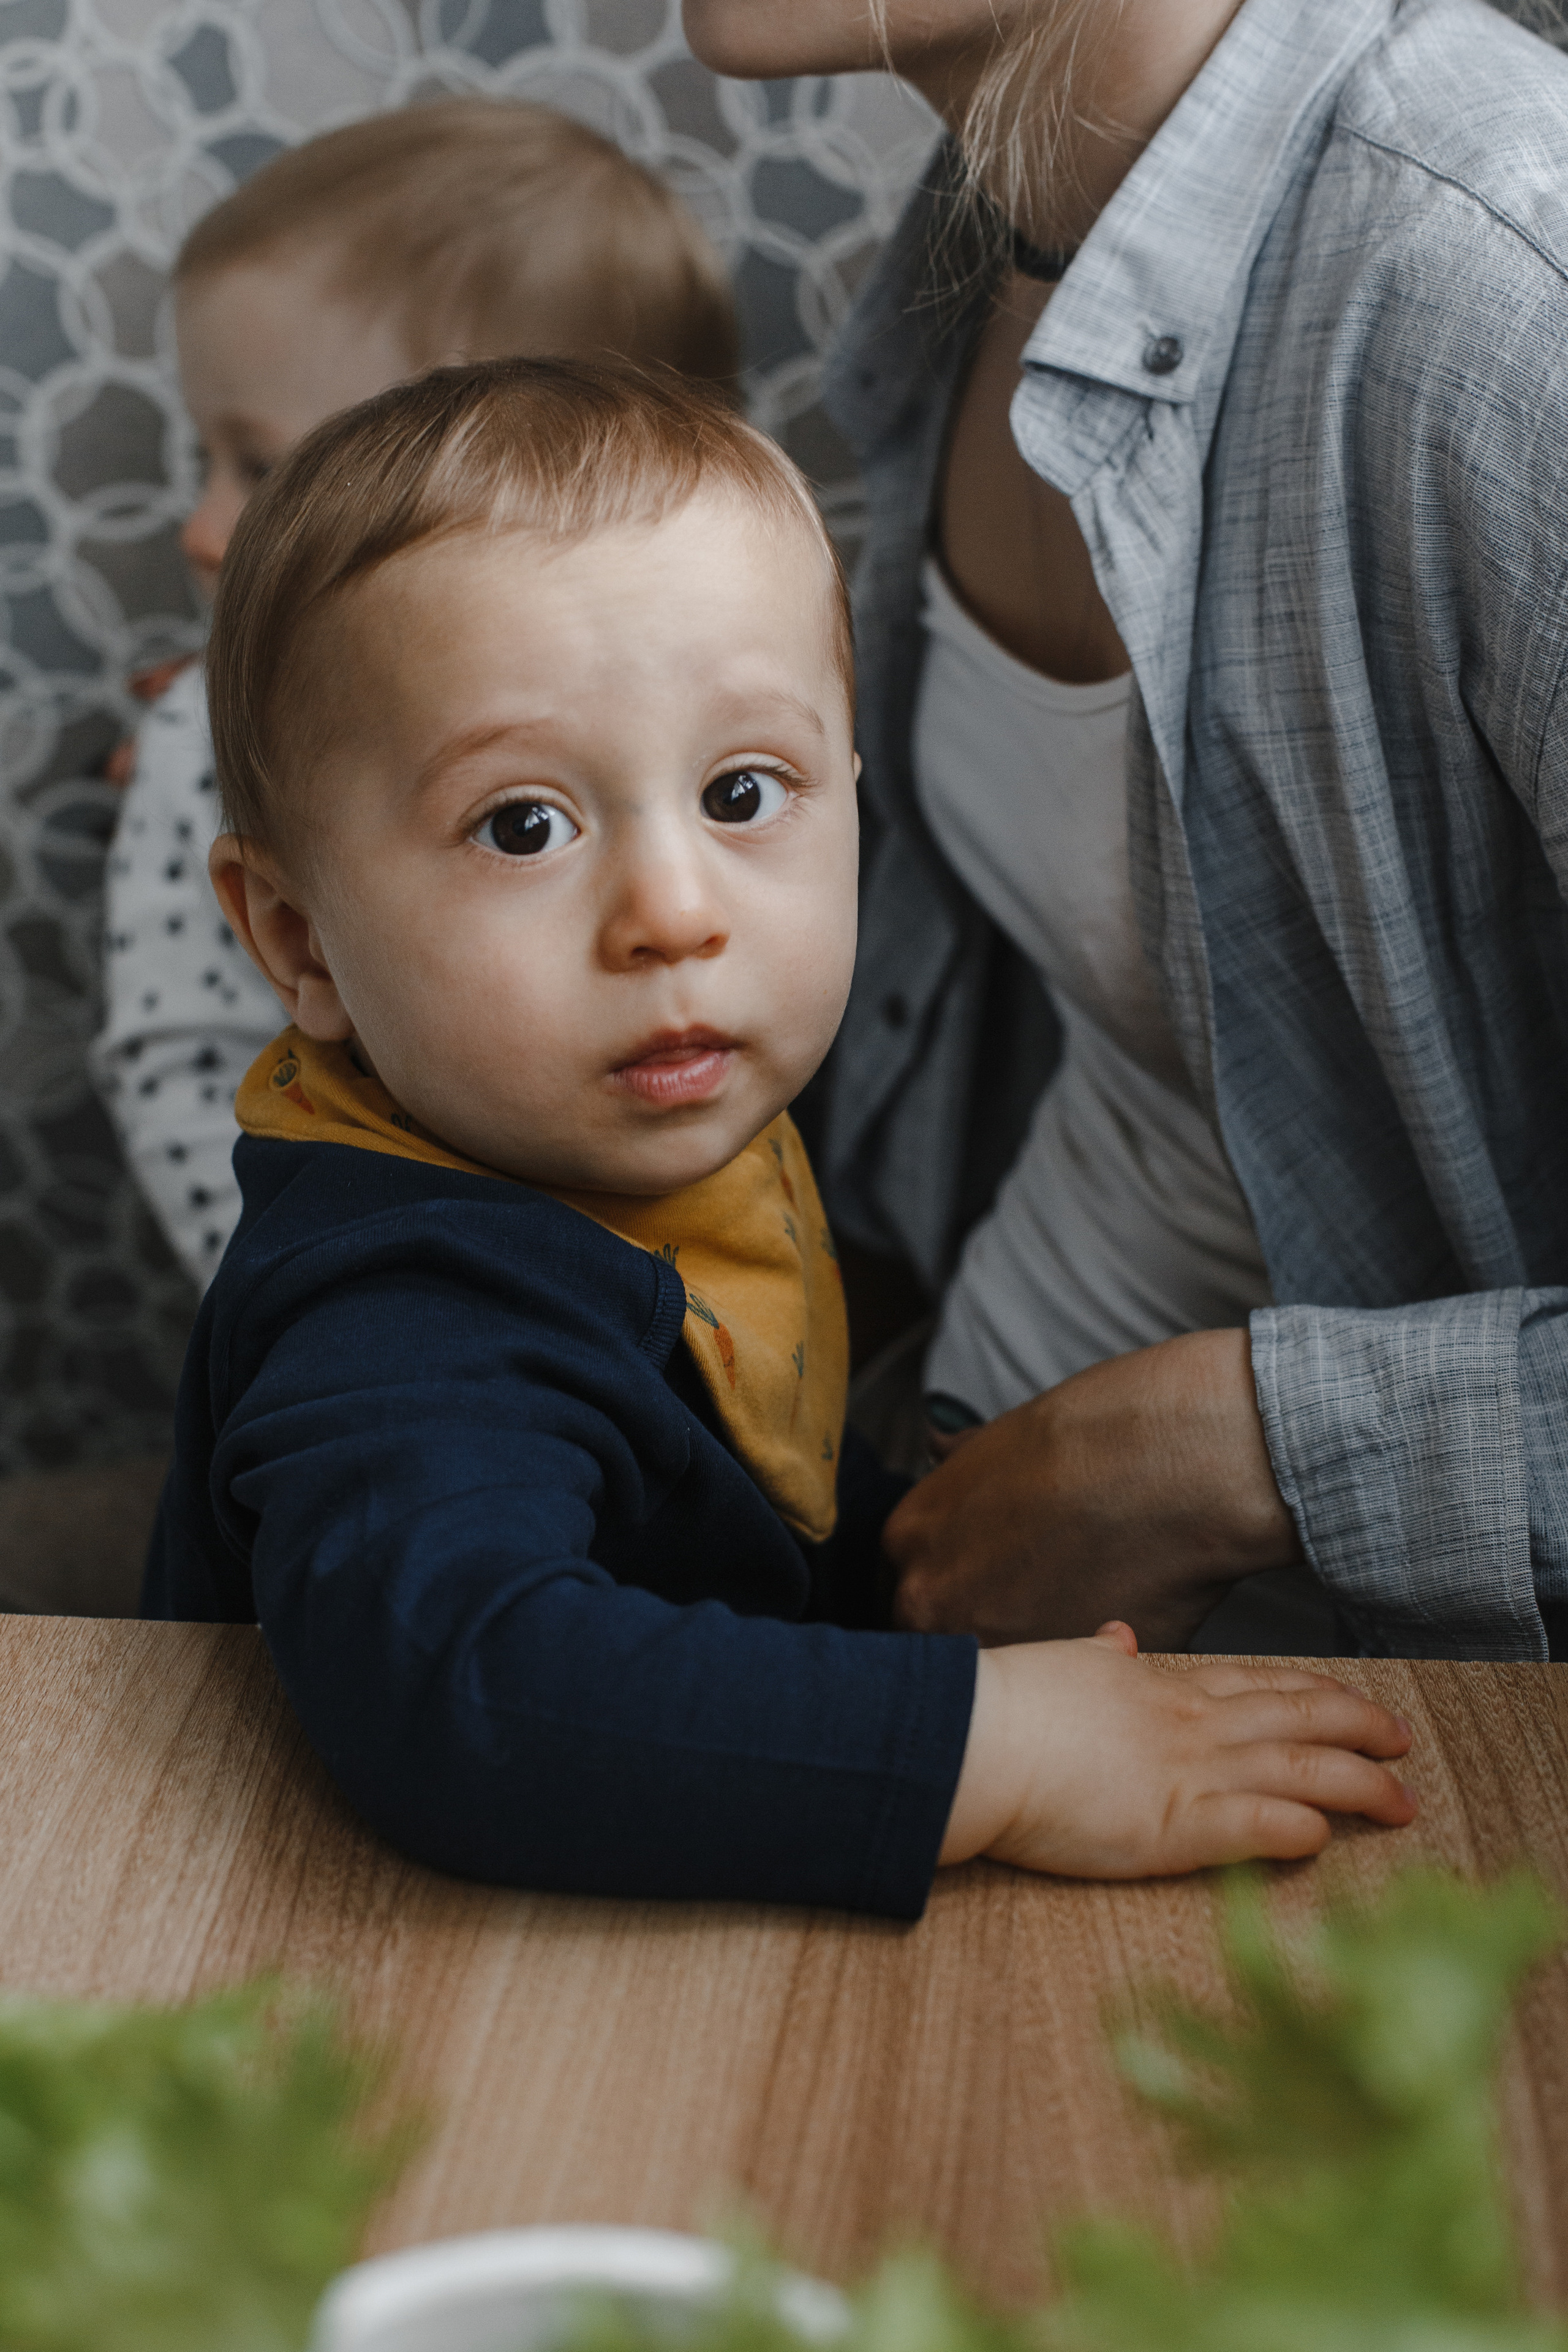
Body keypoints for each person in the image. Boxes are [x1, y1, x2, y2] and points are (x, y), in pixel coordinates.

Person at [143, 358, 1415, 1914]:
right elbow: (471, 1689)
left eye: (744, 791)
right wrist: (987, 1747)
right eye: (523, 825)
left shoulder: (652, 1143)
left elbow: (732, 1497)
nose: (674, 914)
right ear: (300, 939)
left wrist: (917, 1576)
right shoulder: (400, 1316)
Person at [682, 0, 1568, 1664]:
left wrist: (1237, 1458)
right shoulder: (1002, 225)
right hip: (934, 1538)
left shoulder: (1503, 294)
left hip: (1369, 1733)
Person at [91, 97, 738, 1294]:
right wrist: (291, 1288)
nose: (198, 530)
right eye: (215, 461)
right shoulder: (216, 736)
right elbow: (177, 1057)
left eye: (264, 469)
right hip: (392, 1277)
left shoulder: (726, 683)